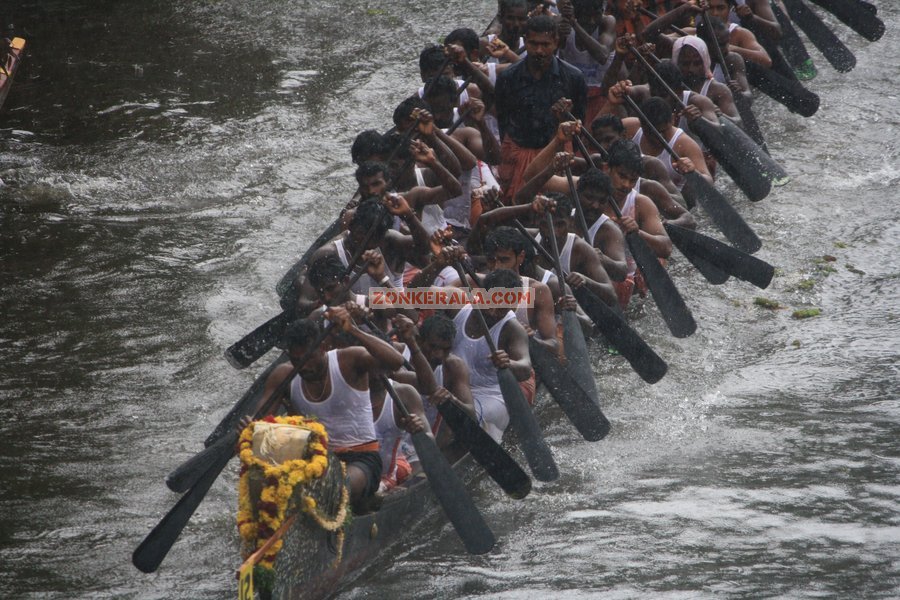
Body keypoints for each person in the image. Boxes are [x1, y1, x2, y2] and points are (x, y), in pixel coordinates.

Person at [247, 310, 406, 513]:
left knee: (332, 489)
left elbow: (396, 361)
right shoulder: (283, 375)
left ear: (323, 347)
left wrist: (354, 330)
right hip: (316, 459)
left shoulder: (349, 360)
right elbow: (262, 421)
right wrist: (249, 429)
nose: (303, 367)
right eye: (296, 360)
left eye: (308, 357)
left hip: (362, 459)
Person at [494, 14, 587, 203]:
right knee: (515, 207)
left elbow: (579, 124)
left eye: (545, 45)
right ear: (525, 41)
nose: (539, 50)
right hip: (517, 154)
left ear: (556, 42)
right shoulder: (508, 78)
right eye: (533, 44)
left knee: (558, 207)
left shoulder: (573, 77)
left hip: (556, 155)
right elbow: (503, 122)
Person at [444, 268, 534, 441]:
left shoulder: (513, 329)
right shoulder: (457, 305)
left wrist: (509, 363)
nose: (493, 312)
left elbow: (525, 369)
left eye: (501, 308)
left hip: (491, 395)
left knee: (453, 425)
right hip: (453, 386)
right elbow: (411, 296)